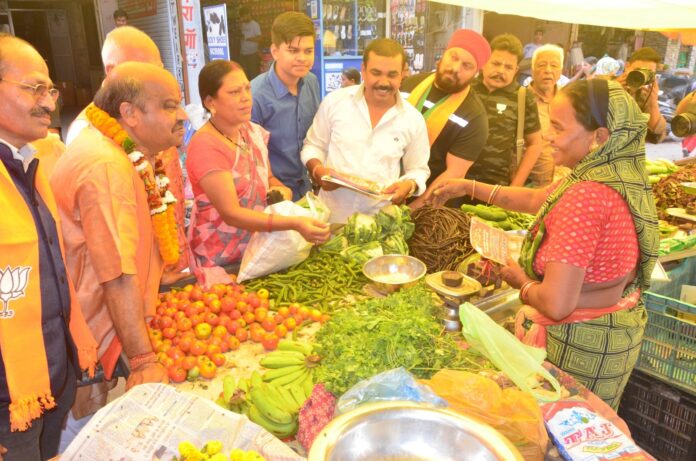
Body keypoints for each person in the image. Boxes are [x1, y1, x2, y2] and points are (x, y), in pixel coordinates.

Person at [427, 79, 659, 409]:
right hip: (613, 335)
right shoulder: (615, 174)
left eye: (558, 127)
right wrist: (467, 186)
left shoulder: (586, 197)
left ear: (599, 137)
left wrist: (519, 280)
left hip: (578, 349)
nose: (547, 135)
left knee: (563, 434)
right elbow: (538, 198)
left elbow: (556, 303)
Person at [51, 62, 183, 440]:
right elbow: (116, 273)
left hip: (101, 332)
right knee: (89, 437)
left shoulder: (114, 151)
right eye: (170, 105)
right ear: (129, 113)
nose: (182, 116)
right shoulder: (106, 166)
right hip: (91, 340)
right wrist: (142, 360)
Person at [0, 33, 97, 461]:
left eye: (50, 89)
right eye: (33, 88)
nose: (50, 102)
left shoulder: (30, 164)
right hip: (9, 401)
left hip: (48, 379)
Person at [186, 60, 330, 282]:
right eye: (234, 92)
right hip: (219, 258)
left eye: (247, 89)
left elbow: (270, 178)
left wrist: (282, 194)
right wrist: (295, 223)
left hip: (258, 248)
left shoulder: (251, 132)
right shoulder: (206, 145)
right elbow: (231, 213)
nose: (245, 97)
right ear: (210, 101)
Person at [64, 26, 189, 281]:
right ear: (112, 72)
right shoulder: (94, 139)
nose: (155, 77)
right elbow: (114, 258)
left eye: (159, 68)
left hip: (167, 262)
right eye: (142, 67)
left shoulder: (155, 116)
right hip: (136, 278)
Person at [301, 38, 430, 223]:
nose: (383, 82)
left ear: (403, 74)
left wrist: (408, 185)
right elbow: (313, 146)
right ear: (363, 70)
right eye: (376, 73)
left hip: (378, 225)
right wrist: (318, 170)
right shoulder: (335, 102)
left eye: (392, 75)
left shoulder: (413, 119)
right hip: (328, 219)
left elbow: (418, 170)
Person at [400, 29, 489, 208]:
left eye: (467, 66)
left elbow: (453, 174)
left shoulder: (474, 116)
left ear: (476, 74)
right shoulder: (411, 83)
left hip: (429, 204)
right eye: (453, 57)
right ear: (443, 55)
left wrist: (411, 211)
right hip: (389, 187)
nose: (455, 68)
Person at [251, 12, 320, 200]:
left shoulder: (312, 82)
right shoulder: (255, 95)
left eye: (308, 51)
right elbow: (250, 155)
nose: (302, 58)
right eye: (293, 50)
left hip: (308, 188)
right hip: (274, 194)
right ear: (274, 51)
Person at [471, 34, 542, 187]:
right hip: (455, 180)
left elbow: (535, 143)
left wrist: (516, 186)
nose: (501, 71)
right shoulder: (466, 88)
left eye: (508, 67)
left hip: (496, 188)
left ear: (516, 70)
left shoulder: (522, 97)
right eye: (496, 63)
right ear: (484, 62)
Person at [527, 44, 567, 186]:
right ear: (532, 70)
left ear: (561, 71)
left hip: (561, 185)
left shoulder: (569, 100)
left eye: (554, 65)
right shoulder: (521, 99)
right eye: (542, 65)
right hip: (528, 185)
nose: (548, 70)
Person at [616, 47, 667, 144]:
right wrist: (612, 90)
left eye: (647, 73)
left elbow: (656, 136)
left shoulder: (644, 96)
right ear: (627, 66)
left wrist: (653, 103)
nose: (641, 75)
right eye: (637, 70)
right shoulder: (606, 85)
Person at [238, 7, 261, 80]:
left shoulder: (255, 25)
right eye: (241, 17)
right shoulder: (242, 24)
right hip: (243, 53)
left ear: (248, 14)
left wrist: (247, 38)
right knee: (244, 74)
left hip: (252, 54)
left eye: (243, 16)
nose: (242, 18)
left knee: (253, 74)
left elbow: (259, 39)